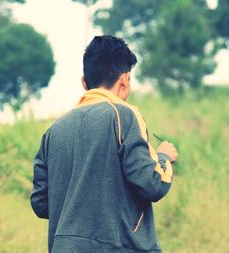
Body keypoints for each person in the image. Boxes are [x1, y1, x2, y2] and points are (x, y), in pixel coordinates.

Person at [31, 35, 178, 253]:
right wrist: (164, 157)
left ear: (84, 82)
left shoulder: (53, 131)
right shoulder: (124, 116)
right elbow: (152, 184)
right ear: (125, 80)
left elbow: (41, 203)